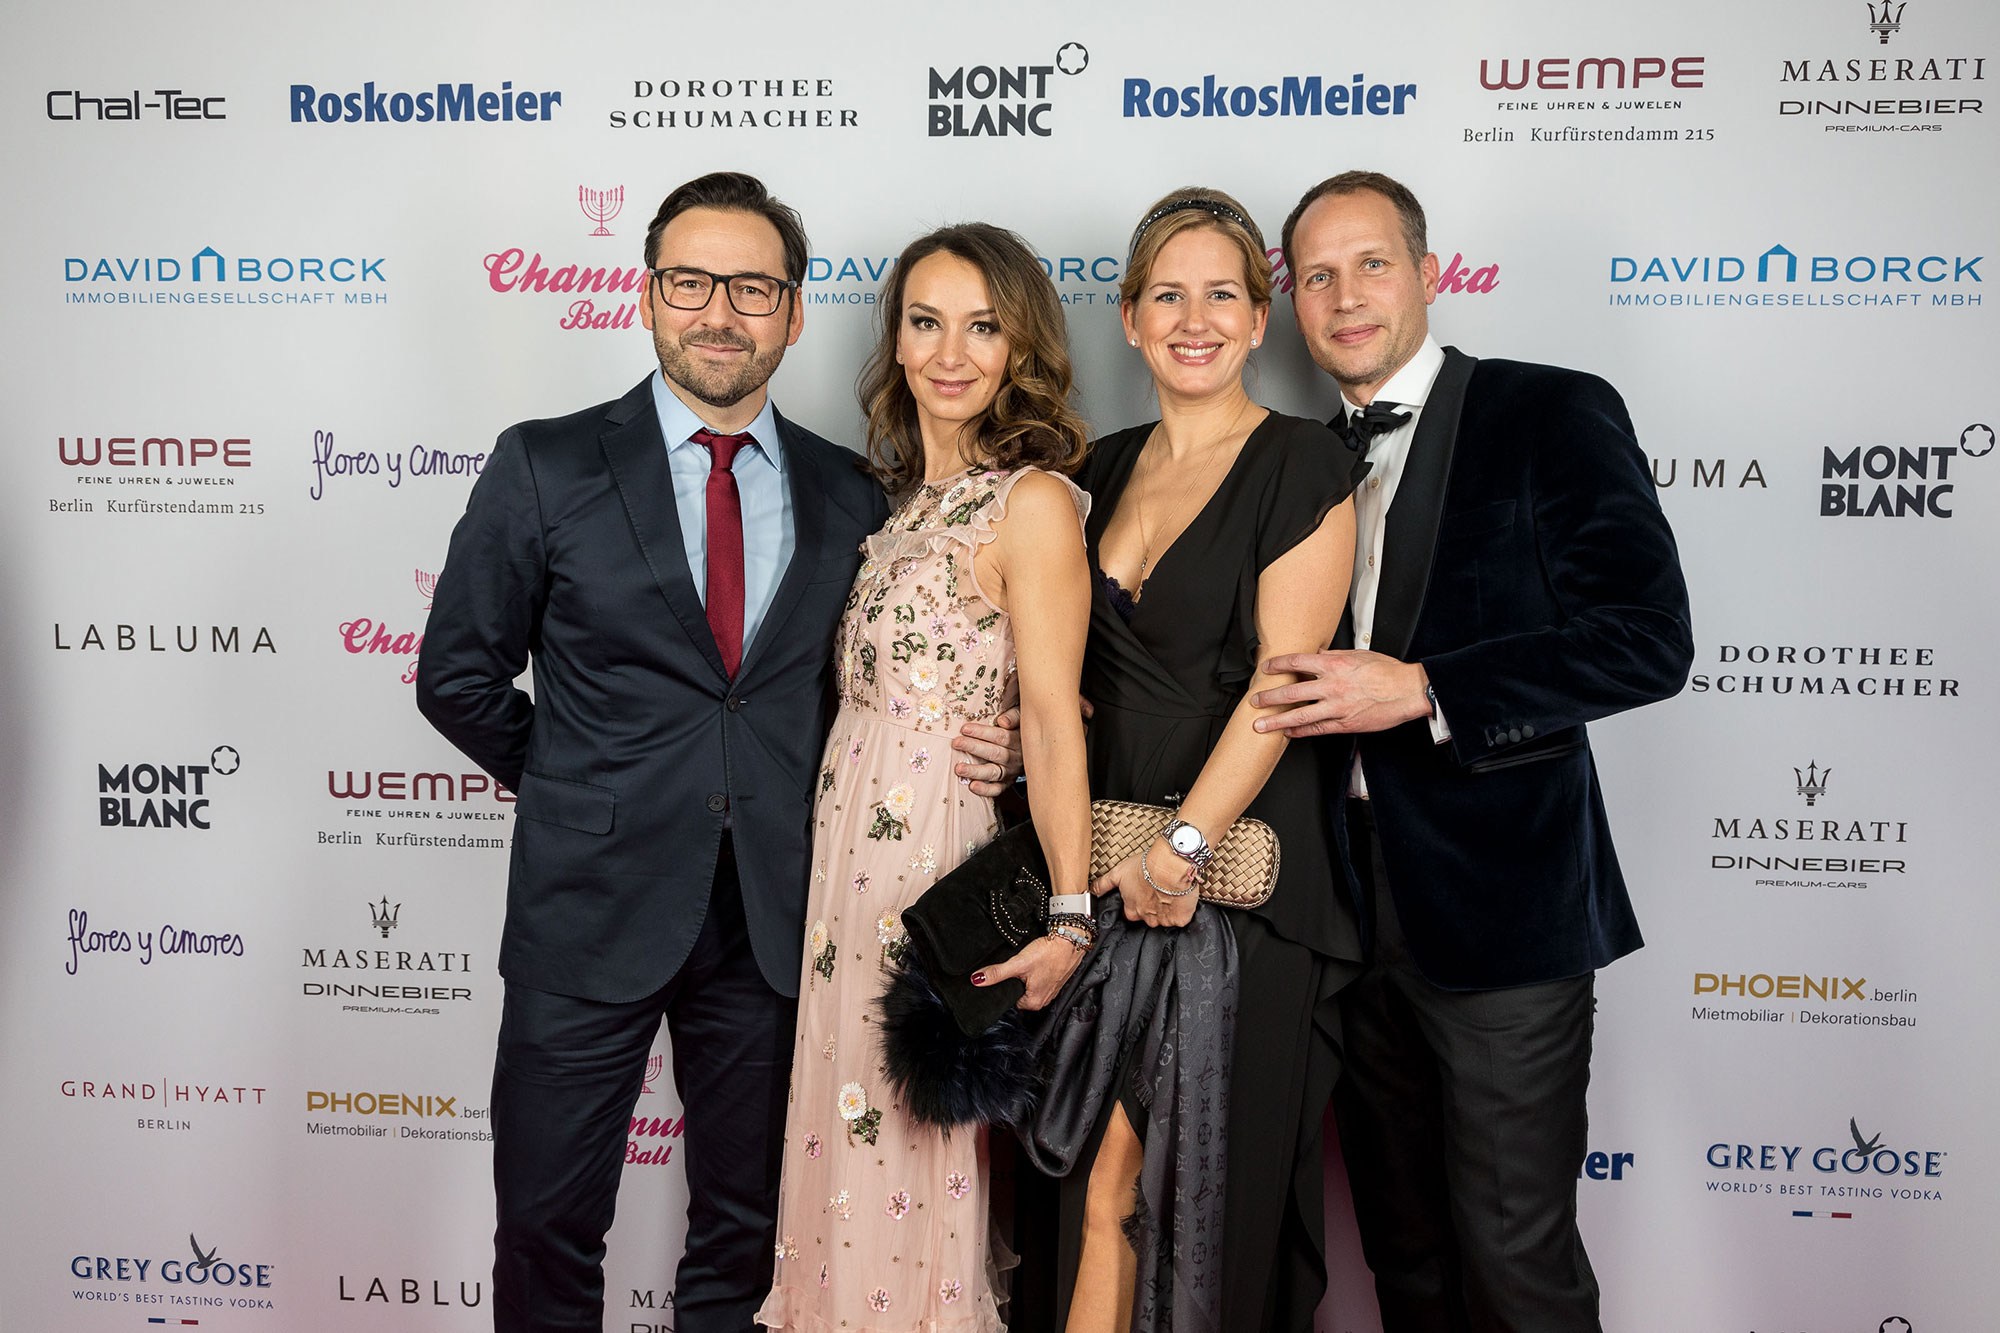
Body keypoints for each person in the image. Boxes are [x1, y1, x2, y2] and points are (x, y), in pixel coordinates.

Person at [415, 173, 1023, 1333]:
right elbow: (456, 676)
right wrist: (580, 788)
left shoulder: (854, 492)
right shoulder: (545, 464)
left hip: (777, 917)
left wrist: (1010, 733)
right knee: (545, 1223)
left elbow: (897, 671)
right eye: (691, 282)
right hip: (585, 906)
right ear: (648, 296)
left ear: (792, 312)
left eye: (752, 287)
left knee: (745, 1231)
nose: (719, 313)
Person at [1250, 170, 1694, 1331]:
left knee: (1514, 1261)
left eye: (1371, 264)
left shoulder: (1545, 409)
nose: (1345, 296)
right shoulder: (1296, 457)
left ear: (1428, 272)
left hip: (1503, 915)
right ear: (1292, 303)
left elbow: (1645, 641)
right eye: (1316, 276)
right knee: (1404, 1259)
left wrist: (1425, 687)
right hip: (1341, 917)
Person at [1029, 186, 1363, 1333]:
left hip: (1228, 883)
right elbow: (1055, 675)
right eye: (1166, 295)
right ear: (1127, 318)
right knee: (1081, 1182)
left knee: (1166, 1196)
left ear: (1259, 319)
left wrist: (1181, 848)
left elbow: (1283, 685)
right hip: (1092, 872)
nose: (1194, 318)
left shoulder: (1300, 462)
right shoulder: (1093, 471)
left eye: (1222, 293)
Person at [754, 222, 1096, 1333]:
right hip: (842, 876)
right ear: (895, 341)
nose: (951, 352)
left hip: (932, 869)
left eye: (983, 327)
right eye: (926, 321)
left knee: (912, 1153)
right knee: (846, 1143)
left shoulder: (1030, 501)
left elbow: (1054, 715)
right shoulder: (898, 504)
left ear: (1019, 348)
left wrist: (1070, 914)